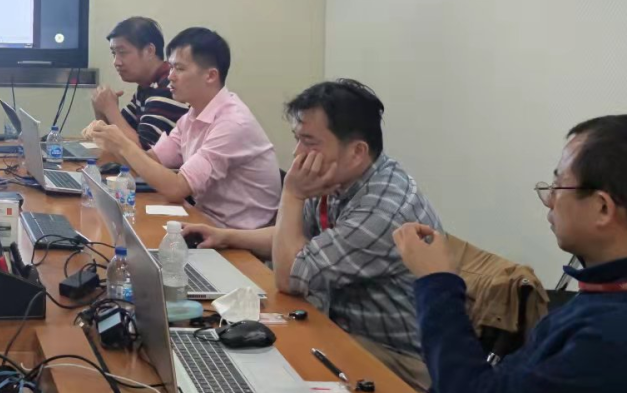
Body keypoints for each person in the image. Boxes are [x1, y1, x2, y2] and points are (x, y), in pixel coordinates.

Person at [182, 79, 441, 391]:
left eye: (309, 142)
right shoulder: (340, 178)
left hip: (396, 361)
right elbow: (294, 240)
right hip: (338, 327)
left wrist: (291, 194)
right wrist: (226, 237)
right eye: (298, 139)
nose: (297, 153)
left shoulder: (383, 210)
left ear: (357, 152)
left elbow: (289, 275)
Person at [394, 115, 627, 393]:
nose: (549, 199)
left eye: (559, 185)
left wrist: (436, 280)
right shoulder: (605, 291)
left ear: (602, 208)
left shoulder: (612, 336)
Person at [85, 28, 281, 230]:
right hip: (203, 221)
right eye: (170, 67)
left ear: (210, 76)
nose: (170, 76)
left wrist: (122, 144)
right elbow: (150, 161)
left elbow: (176, 189)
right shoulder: (191, 116)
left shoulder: (232, 124)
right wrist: (109, 140)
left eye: (179, 68)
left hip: (236, 236)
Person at [87, 17, 189, 156]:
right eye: (114, 53)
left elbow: (142, 154)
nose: (116, 62)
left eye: (122, 52)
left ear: (149, 51)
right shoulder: (147, 86)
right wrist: (100, 108)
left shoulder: (167, 88)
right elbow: (113, 138)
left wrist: (110, 109)